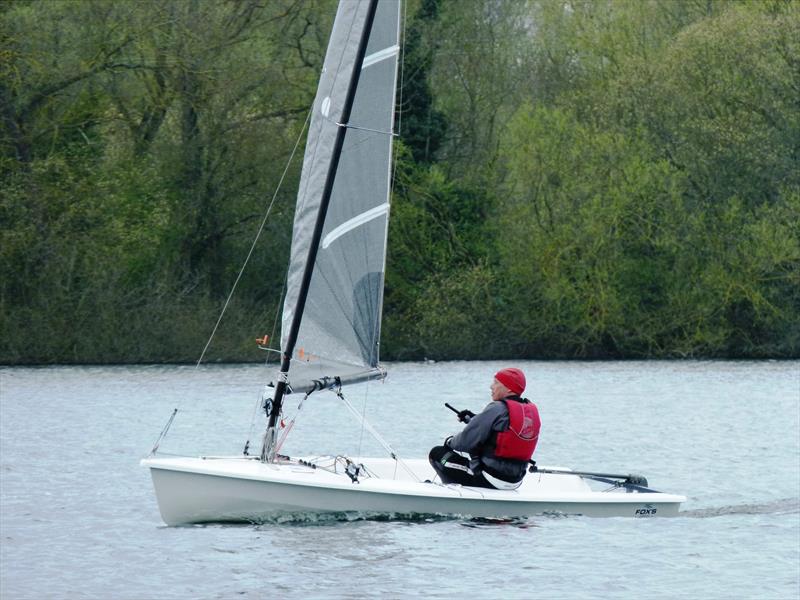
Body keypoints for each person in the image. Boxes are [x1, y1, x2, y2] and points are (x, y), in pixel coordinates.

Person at [428, 368, 541, 490]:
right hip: (515, 481)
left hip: (489, 479)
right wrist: (473, 419)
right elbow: (502, 430)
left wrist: (449, 442)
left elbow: (464, 442)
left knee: (437, 453)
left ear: (509, 388)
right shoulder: (529, 412)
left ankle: (452, 494)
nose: (491, 387)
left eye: (496, 383)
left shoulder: (496, 407)